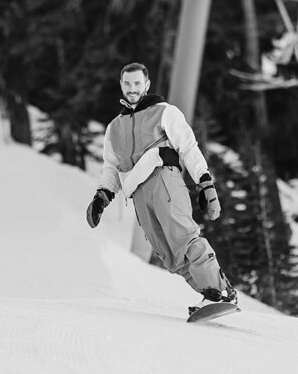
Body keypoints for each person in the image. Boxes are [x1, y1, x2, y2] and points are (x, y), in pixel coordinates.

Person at [86, 62, 236, 309]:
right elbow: (111, 167)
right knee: (170, 256)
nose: (132, 88)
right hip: (138, 194)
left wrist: (204, 182)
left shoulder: (164, 111)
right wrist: (102, 196)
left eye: (137, 83)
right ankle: (213, 297)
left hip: (162, 179)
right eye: (127, 83)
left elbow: (188, 147)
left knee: (183, 238)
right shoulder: (114, 127)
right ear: (121, 85)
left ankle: (220, 290)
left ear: (146, 84)